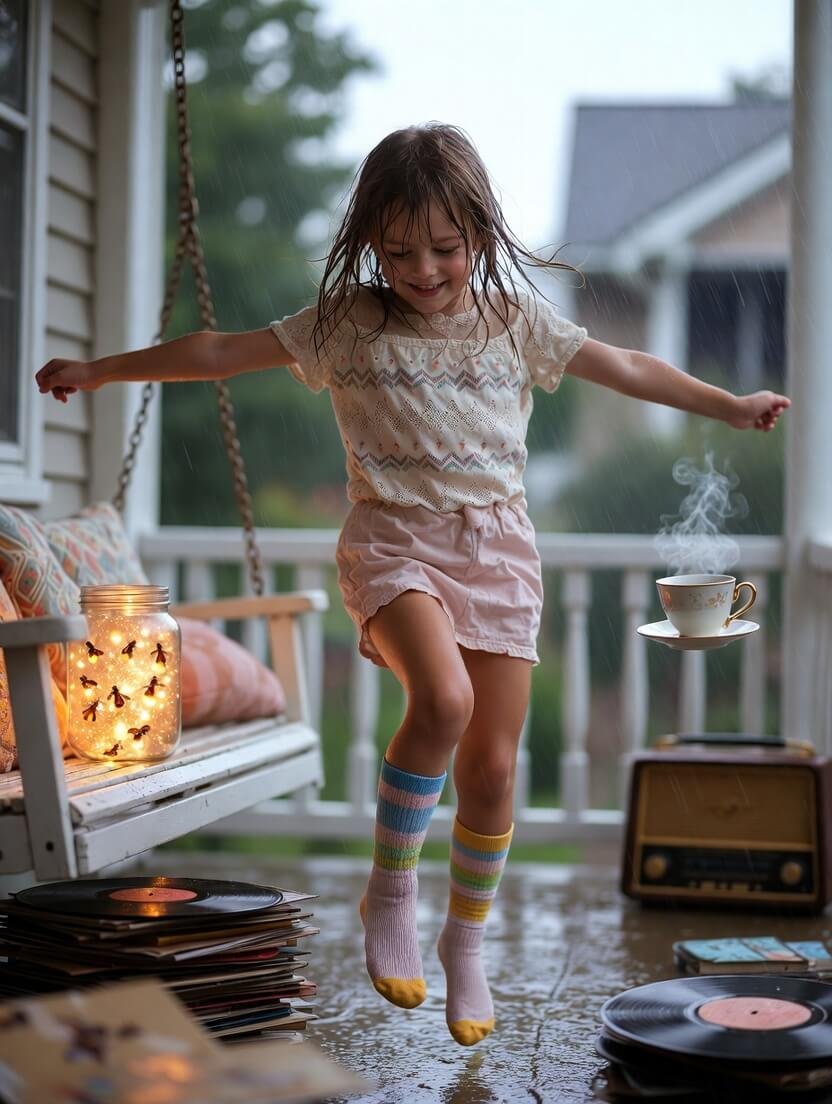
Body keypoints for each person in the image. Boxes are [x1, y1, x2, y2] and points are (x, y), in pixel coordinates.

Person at [36, 123, 790, 1047]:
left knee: (495, 768)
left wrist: (729, 403)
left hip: (500, 553)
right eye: (398, 253)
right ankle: (389, 892)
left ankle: (464, 941)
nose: (422, 270)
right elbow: (220, 353)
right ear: (369, 242)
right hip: (393, 543)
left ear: (478, 232)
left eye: (443, 248)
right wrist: (100, 371)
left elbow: (628, 365)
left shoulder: (516, 322)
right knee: (443, 700)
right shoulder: (346, 323)